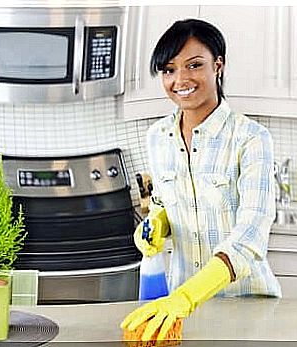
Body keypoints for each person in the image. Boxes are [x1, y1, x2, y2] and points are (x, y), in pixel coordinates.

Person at [121, 18, 282, 342]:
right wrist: (158, 224)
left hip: (246, 305)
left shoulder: (250, 138)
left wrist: (188, 295)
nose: (180, 79)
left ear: (217, 65)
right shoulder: (157, 137)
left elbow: (250, 235)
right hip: (179, 313)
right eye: (168, 70)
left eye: (194, 65)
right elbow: (163, 201)